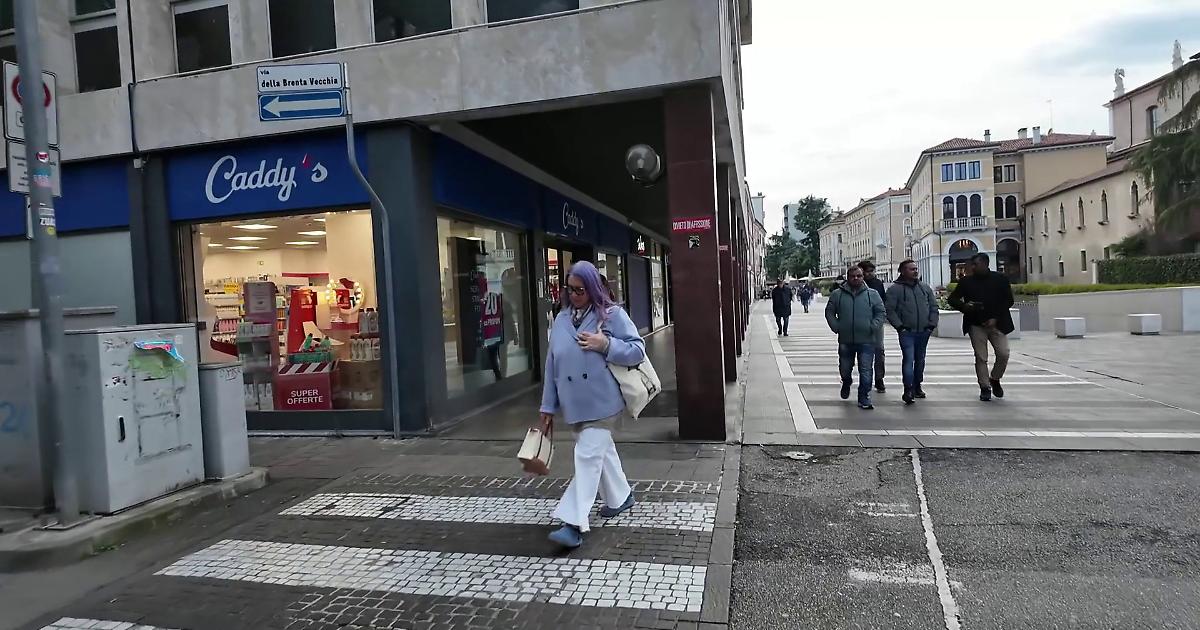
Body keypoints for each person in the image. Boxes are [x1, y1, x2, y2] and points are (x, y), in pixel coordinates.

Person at [539, 261, 645, 549]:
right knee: (601, 453)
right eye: (570, 289)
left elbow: (637, 349)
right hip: (574, 405)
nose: (574, 295)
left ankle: (572, 522)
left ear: (593, 288)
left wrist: (606, 345)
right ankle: (621, 497)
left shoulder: (611, 315)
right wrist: (547, 406)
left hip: (603, 401)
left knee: (587, 456)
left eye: (580, 290)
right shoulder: (561, 319)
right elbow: (551, 365)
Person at [948, 253, 1015, 402]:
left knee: (1003, 353)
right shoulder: (966, 281)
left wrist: (995, 317)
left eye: (975, 264)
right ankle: (985, 387)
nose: (972, 267)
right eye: (972, 264)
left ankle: (995, 378)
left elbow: (1008, 301)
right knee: (981, 357)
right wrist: (965, 306)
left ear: (985, 264)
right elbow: (952, 299)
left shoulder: (1000, 279)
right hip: (976, 324)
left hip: (998, 324)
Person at [825, 266, 886, 410]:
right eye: (853, 276)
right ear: (848, 277)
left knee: (866, 370)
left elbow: (881, 312)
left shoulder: (872, 294)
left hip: (867, 339)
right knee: (845, 368)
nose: (856, 278)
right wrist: (837, 326)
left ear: (863, 277)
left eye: (859, 276)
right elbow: (829, 312)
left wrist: (873, 326)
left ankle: (864, 397)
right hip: (846, 339)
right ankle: (846, 382)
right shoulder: (837, 294)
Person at [885, 260, 939, 405]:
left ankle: (917, 385)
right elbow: (890, 310)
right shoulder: (895, 289)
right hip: (907, 331)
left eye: (916, 269)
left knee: (920, 359)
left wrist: (931, 324)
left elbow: (933, 307)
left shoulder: (924, 287)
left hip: (924, 330)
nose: (915, 271)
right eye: (911, 269)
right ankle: (908, 388)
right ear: (903, 271)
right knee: (909, 359)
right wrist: (900, 327)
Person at [858, 261, 888, 393]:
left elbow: (883, 302)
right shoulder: (856, 284)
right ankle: (865, 378)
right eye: (868, 271)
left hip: (876, 322)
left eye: (872, 271)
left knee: (879, 351)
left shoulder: (877, 283)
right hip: (860, 323)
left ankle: (879, 378)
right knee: (862, 352)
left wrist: (880, 319)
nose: (871, 274)